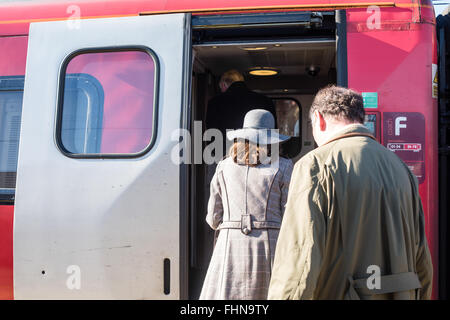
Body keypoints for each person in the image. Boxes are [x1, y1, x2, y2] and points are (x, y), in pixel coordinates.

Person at [268, 86, 433, 300]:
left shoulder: (315, 165)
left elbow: (300, 260)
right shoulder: (401, 169)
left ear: (319, 119)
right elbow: (423, 262)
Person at [200, 109, 293, 300]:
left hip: (230, 245)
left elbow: (213, 218)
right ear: (272, 139)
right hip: (270, 245)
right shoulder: (284, 166)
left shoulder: (223, 166)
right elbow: (289, 213)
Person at [206, 70, 277, 142]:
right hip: (257, 149)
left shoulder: (215, 102)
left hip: (226, 150)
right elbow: (272, 131)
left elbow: (211, 132)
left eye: (221, 88)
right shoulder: (265, 100)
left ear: (224, 84)